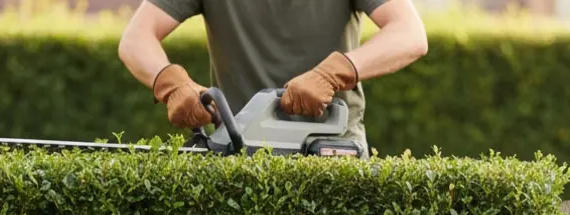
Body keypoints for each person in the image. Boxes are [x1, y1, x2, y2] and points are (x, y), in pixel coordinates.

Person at [117, 0, 428, 156]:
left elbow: (409, 34)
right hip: (239, 155)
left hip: (331, 152)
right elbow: (136, 38)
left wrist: (334, 73)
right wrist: (170, 83)